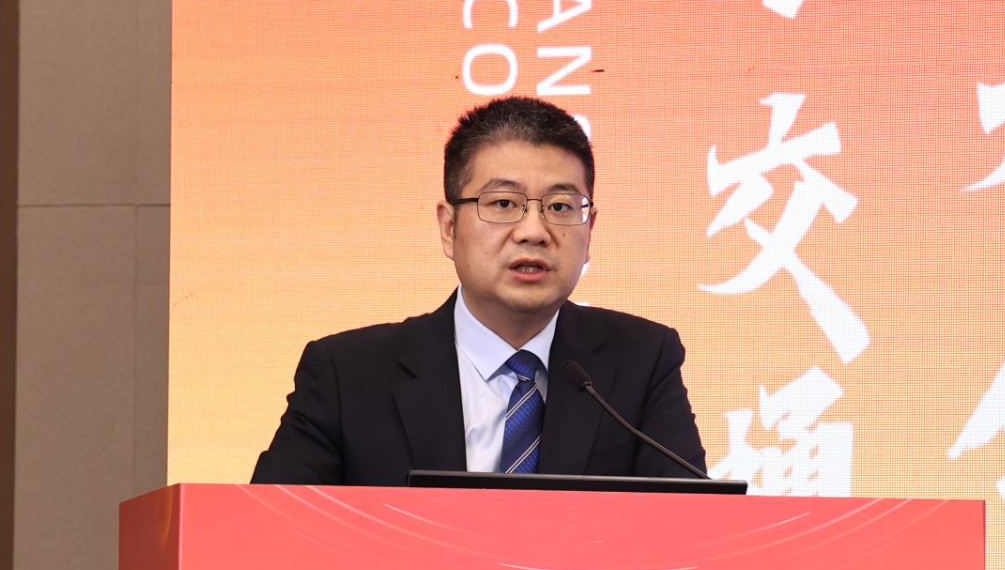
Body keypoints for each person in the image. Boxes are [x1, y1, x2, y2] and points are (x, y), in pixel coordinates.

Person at [251, 96, 706, 486]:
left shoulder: (641, 360)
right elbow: (271, 531)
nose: (534, 231)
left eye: (561, 206)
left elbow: (692, 528)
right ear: (449, 228)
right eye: (504, 203)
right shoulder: (347, 375)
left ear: (590, 230)